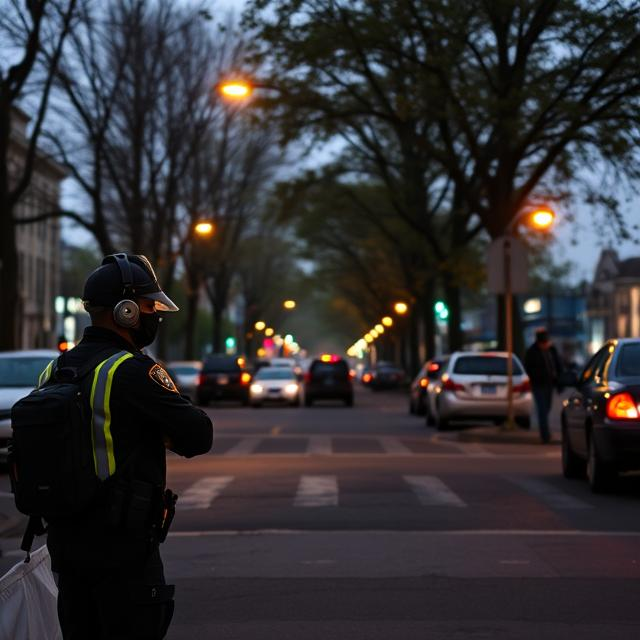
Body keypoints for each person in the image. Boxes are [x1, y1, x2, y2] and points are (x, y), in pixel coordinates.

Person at [45, 253, 213, 639]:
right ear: (124, 311)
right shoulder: (132, 370)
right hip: (123, 547)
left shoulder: (54, 370)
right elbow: (199, 436)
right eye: (148, 305)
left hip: (66, 547)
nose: (154, 314)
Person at [524, 328, 562, 444]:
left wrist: (559, 380)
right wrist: (535, 378)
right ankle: (545, 435)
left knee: (547, 407)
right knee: (542, 408)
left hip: (549, 383)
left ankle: (545, 431)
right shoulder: (532, 352)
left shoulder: (551, 350)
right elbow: (528, 368)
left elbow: (557, 364)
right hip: (538, 384)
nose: (545, 345)